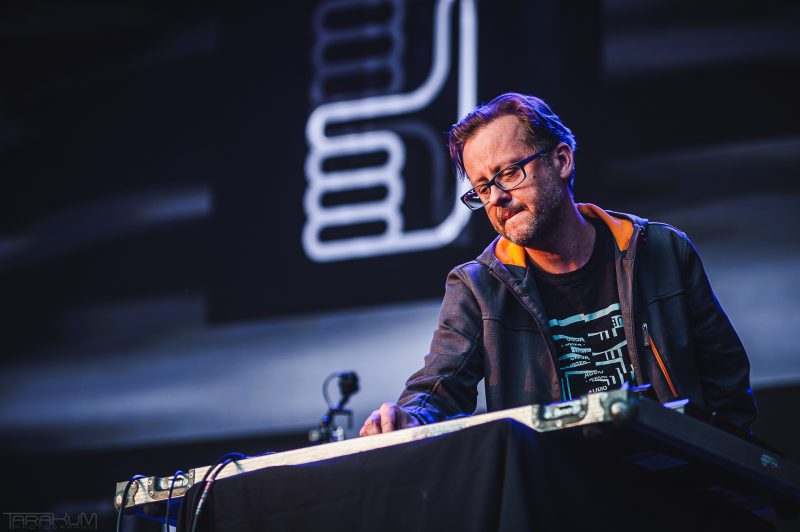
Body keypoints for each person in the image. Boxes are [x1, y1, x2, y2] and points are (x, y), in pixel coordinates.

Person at [359, 93, 756, 437]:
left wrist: (718, 474)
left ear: (561, 161)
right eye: (482, 187)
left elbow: (726, 382)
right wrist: (407, 418)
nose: (496, 198)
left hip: (671, 478)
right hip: (553, 487)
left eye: (508, 173)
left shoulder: (663, 250)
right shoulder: (478, 287)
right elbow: (439, 387)